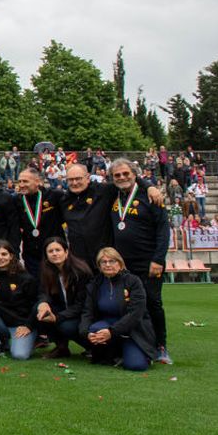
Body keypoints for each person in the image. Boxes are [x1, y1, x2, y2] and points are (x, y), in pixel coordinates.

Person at [108, 158, 172, 365]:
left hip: (148, 261)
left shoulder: (150, 196)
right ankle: (131, 343)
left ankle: (161, 346)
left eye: (126, 174)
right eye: (117, 175)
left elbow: (163, 229)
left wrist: (158, 259)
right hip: (122, 265)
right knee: (126, 305)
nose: (122, 178)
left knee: (153, 302)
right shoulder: (113, 194)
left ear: (134, 174)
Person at [80, 248, 156, 372]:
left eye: (112, 261)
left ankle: (132, 352)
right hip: (107, 326)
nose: (108, 264)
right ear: (99, 266)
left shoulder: (133, 281)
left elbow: (136, 314)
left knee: (136, 366)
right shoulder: (95, 284)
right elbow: (87, 312)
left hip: (131, 330)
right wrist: (85, 333)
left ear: (120, 263)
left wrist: (112, 331)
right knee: (94, 330)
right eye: (103, 262)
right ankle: (112, 354)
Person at [35, 237, 90, 357]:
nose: (54, 254)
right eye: (50, 251)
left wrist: (57, 317)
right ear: (46, 255)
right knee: (39, 309)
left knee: (66, 326)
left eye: (58, 250)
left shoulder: (80, 272)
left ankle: (91, 347)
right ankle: (61, 348)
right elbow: (43, 292)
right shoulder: (47, 270)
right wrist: (43, 303)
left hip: (82, 313)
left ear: (66, 252)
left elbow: (82, 304)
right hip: (64, 310)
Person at [16, 168, 64, 277]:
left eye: (25, 181)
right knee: (36, 288)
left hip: (54, 253)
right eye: (20, 181)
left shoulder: (55, 196)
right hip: (31, 255)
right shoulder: (17, 201)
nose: (21, 185)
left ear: (38, 181)